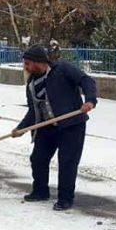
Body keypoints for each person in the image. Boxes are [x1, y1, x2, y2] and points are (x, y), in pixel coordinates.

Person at [13, 45, 97, 211]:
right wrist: (21, 128)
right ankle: (40, 191)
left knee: (67, 162)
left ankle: (65, 199)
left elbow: (86, 81)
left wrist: (90, 100)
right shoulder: (31, 83)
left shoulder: (62, 69)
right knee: (38, 158)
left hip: (71, 125)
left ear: (38, 62)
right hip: (47, 127)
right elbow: (33, 110)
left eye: (28, 63)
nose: (26, 67)